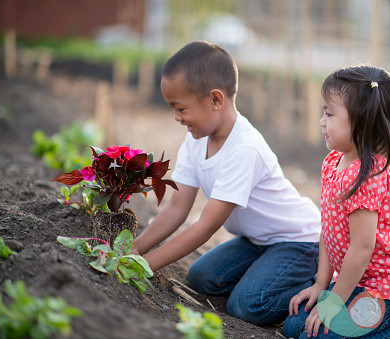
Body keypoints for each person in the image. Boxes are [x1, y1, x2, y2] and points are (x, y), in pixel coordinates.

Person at [131, 41, 322, 326]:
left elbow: (206, 226)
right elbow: (177, 207)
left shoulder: (245, 148)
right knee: (201, 277)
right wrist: (136, 249)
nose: (176, 117)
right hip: (257, 241)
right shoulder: (196, 140)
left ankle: (320, 284)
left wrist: (144, 266)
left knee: (246, 306)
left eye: (180, 108)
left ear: (216, 100)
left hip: (297, 242)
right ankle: (266, 275)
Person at [283, 65, 390, 338]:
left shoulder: (367, 175)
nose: (321, 121)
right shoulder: (332, 163)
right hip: (355, 283)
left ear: (361, 122)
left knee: (312, 334)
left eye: (329, 113)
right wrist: (321, 285)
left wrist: (334, 302)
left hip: (381, 290)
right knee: (295, 326)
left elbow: (362, 248)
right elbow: (328, 229)